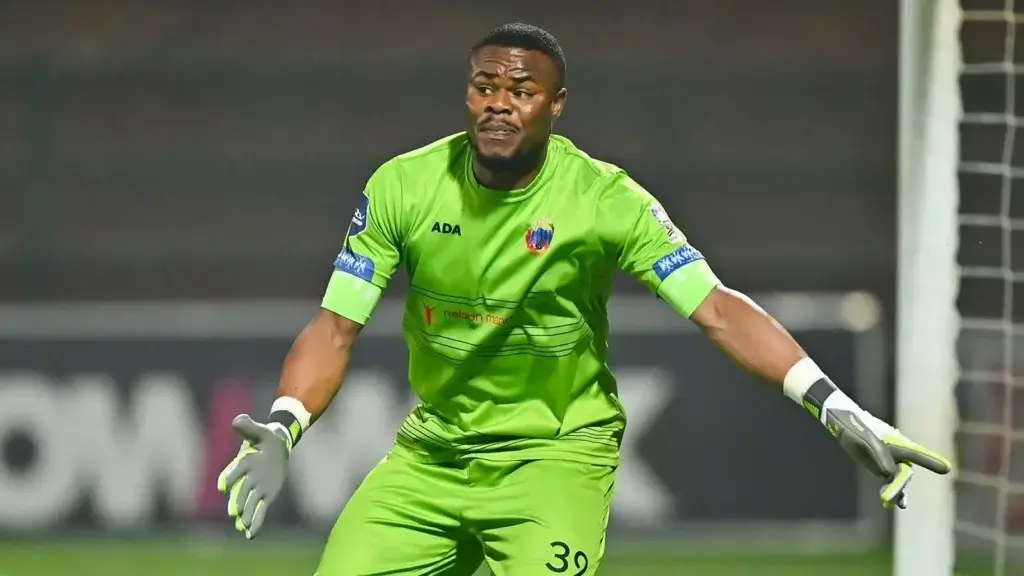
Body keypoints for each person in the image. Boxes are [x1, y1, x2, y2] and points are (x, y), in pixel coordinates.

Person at [217, 23, 951, 575]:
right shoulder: (402, 188)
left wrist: (832, 405)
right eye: (484, 86)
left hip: (555, 458)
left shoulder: (604, 200)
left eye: (522, 91)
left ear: (557, 105)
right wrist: (283, 425)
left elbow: (718, 308)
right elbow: (334, 328)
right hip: (433, 455)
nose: (499, 104)